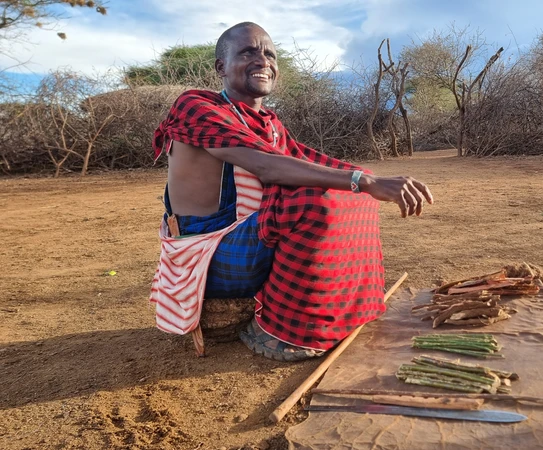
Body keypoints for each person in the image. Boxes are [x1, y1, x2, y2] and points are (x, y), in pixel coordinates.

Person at [149, 22, 432, 362]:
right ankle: (280, 335)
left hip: (247, 238)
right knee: (315, 200)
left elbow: (306, 163)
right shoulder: (195, 107)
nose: (263, 61)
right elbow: (267, 166)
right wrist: (363, 181)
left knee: (350, 192)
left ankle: (338, 308)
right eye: (248, 52)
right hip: (207, 253)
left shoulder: (268, 123)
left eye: (270, 54)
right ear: (221, 67)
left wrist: (365, 180)